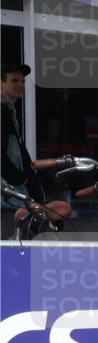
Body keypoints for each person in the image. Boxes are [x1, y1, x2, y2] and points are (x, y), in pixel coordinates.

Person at [2, 62, 44, 238]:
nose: (20, 85)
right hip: (7, 198)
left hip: (11, 197)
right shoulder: (1, 111)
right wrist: (21, 178)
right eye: (14, 81)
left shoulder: (8, 109)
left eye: (22, 81)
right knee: (9, 248)